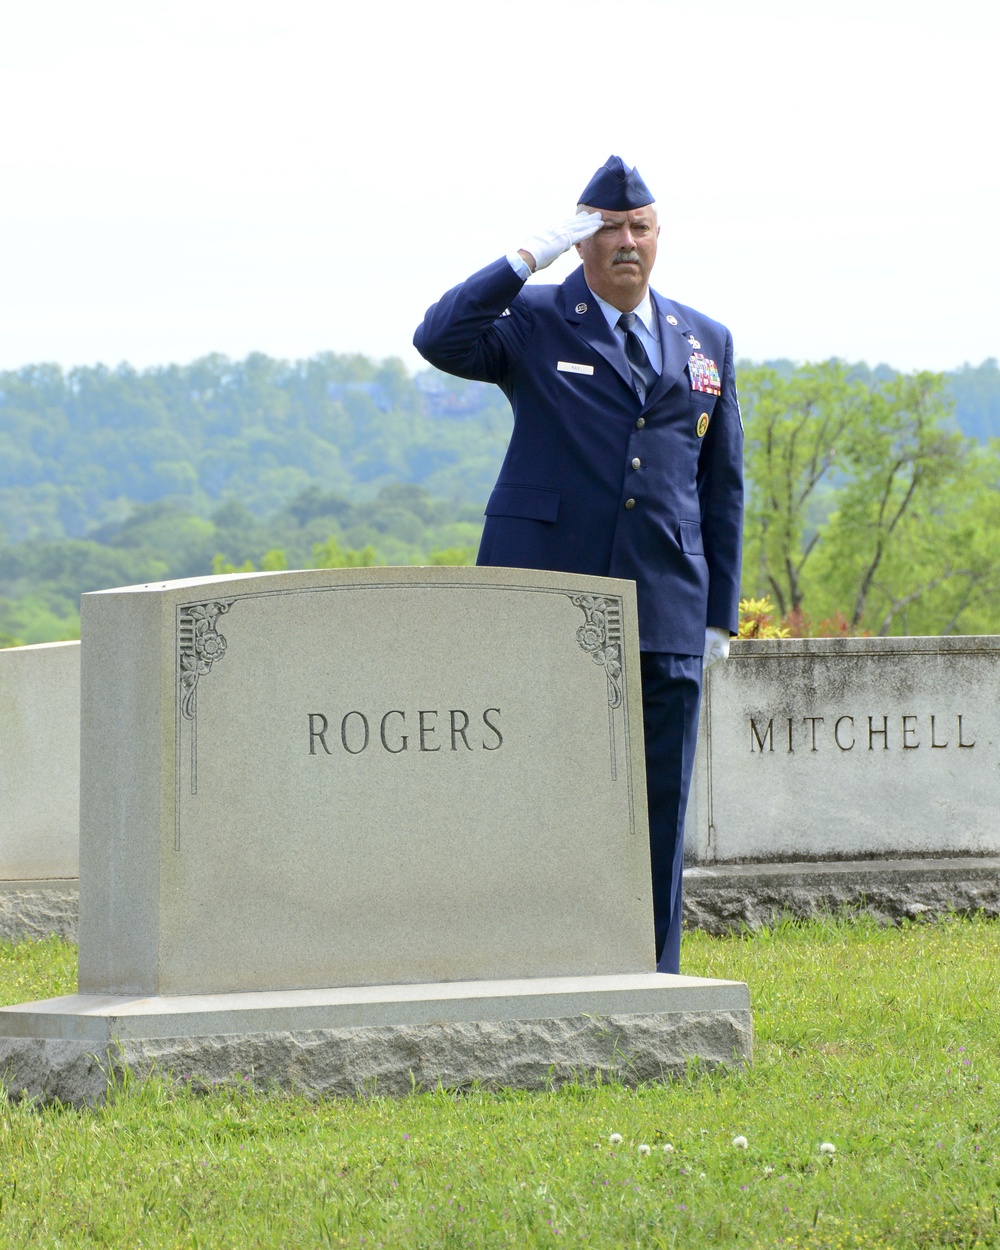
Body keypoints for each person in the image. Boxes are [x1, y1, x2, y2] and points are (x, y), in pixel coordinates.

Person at [413, 156, 743, 973]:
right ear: (582, 236)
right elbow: (438, 337)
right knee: (540, 790)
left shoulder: (706, 340)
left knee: (661, 799)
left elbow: (721, 485)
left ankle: (653, 969)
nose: (624, 241)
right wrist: (526, 259)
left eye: (639, 227)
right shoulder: (534, 319)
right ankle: (535, 956)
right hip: (548, 597)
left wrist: (716, 616)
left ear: (658, 236)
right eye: (605, 227)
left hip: (667, 600)